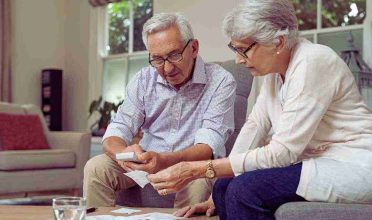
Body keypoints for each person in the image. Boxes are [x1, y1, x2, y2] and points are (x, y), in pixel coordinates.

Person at [147, 0, 372, 219]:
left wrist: (196, 169)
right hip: (317, 161)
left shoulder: (313, 62)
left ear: (279, 42)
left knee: (244, 191)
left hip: (352, 164)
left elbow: (282, 153)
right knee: (224, 186)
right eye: (235, 49)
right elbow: (255, 127)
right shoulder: (275, 74)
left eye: (244, 50)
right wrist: (217, 190)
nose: (238, 59)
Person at [83, 12, 236, 208]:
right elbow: (119, 127)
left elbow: (208, 147)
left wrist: (163, 161)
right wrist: (124, 153)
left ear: (194, 48)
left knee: (198, 180)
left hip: (192, 167)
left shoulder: (221, 81)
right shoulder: (143, 79)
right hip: (146, 165)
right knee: (96, 167)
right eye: (157, 59)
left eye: (174, 55)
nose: (167, 68)